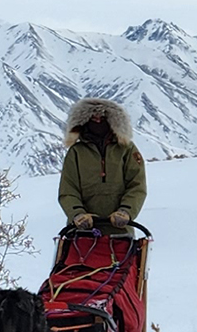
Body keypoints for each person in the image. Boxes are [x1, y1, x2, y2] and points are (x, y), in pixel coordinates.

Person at [58, 97, 144, 234]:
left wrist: (126, 211)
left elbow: (137, 185)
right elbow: (68, 189)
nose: (98, 122)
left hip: (120, 232)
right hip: (82, 232)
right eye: (93, 119)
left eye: (102, 118)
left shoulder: (126, 149)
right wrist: (77, 214)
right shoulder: (76, 152)